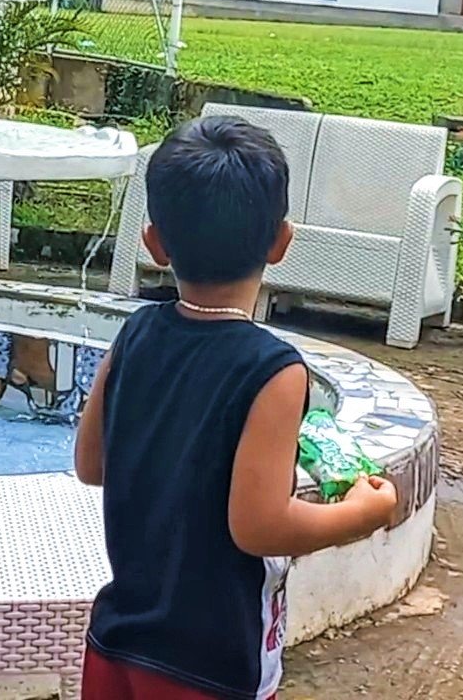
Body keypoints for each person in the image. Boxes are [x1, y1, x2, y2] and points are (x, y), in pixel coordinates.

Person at [73, 115, 400, 700]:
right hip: (208, 664)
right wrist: (363, 514)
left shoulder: (136, 334)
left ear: (154, 243)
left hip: (118, 640)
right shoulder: (273, 369)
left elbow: (91, 464)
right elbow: (258, 526)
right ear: (281, 242)